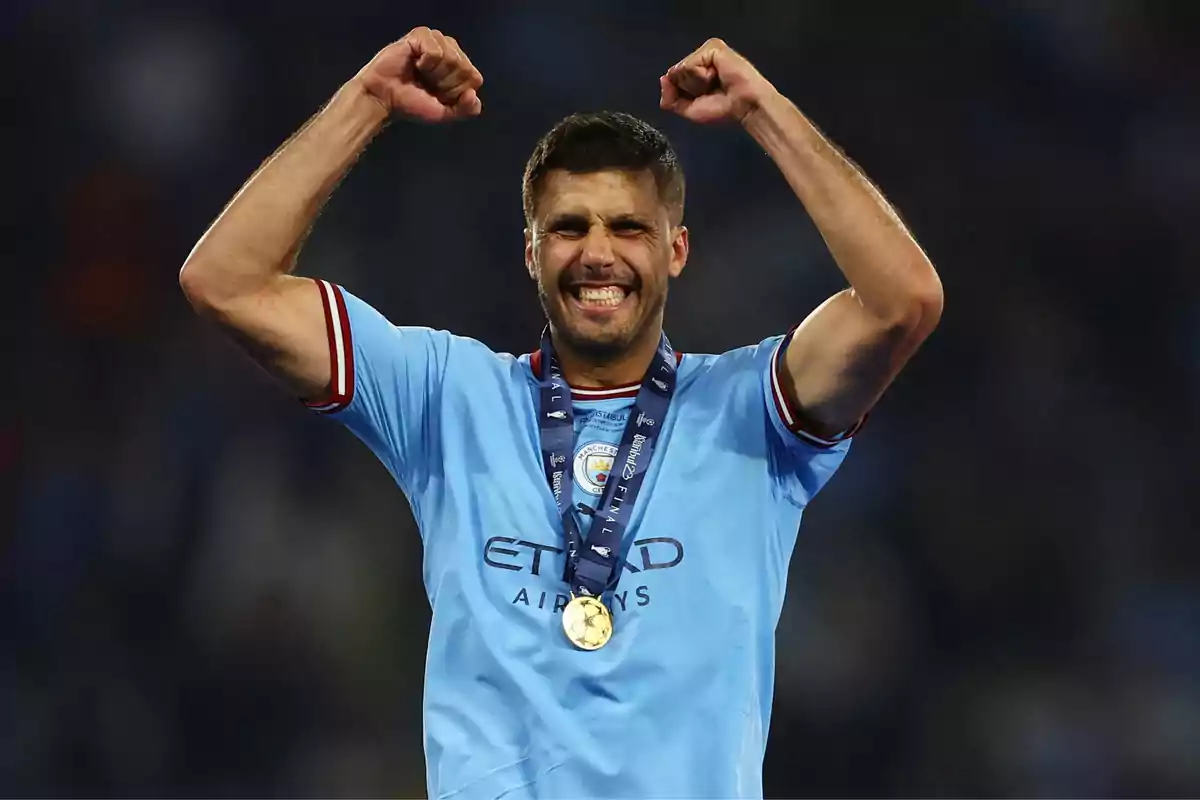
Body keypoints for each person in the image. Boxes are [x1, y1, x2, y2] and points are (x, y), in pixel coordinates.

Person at [180, 26, 942, 800]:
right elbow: (226, 281)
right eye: (569, 228)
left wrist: (765, 111)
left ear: (676, 250)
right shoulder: (446, 396)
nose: (598, 253)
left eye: (628, 228)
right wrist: (367, 101)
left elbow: (901, 301)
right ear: (531, 253)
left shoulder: (752, 410)